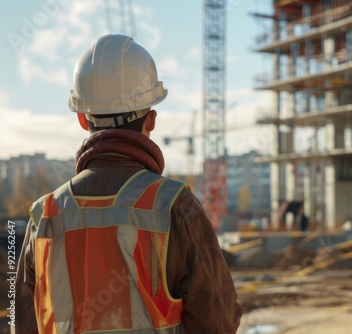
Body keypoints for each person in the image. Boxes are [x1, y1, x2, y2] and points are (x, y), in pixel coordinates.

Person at [14, 34, 242, 334]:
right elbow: (218, 322)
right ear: (151, 120)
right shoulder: (175, 207)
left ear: (83, 120)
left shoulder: (44, 215)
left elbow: (26, 322)